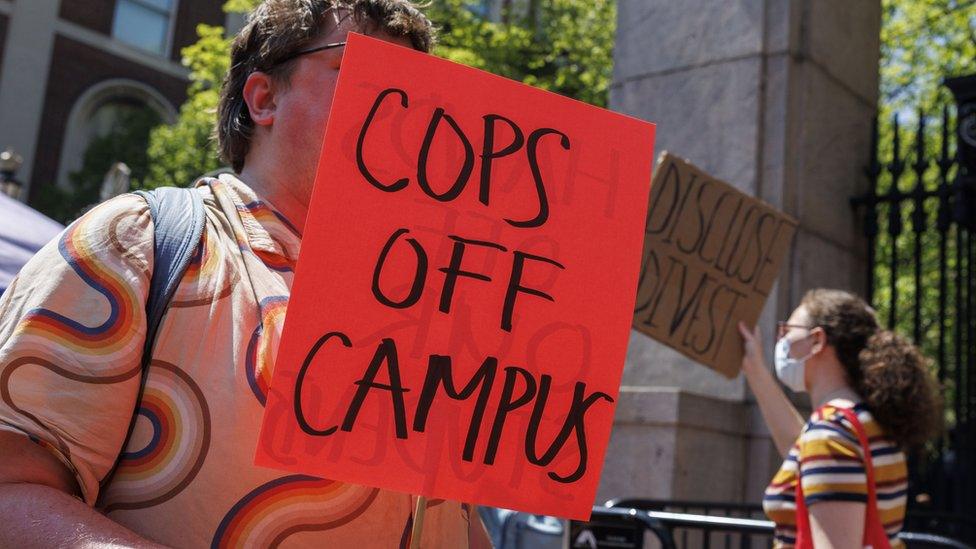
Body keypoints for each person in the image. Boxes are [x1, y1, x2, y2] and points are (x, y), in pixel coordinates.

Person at [0, 1, 491, 547]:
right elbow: (9, 492)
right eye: (366, 70)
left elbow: (460, 523)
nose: (400, 106)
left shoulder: (434, 302)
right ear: (264, 98)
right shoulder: (136, 242)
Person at [739, 289, 941, 549]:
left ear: (817, 340)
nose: (782, 339)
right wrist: (754, 368)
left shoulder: (830, 433)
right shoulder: (860, 421)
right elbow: (799, 451)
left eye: (788, 330)